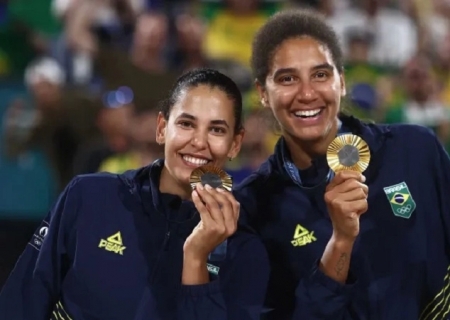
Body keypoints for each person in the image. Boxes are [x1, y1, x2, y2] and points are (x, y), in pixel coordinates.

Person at [0, 68, 270, 319]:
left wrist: (197, 257)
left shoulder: (245, 246)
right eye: (186, 124)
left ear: (235, 144)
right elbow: (23, 301)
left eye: (216, 129)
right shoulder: (89, 196)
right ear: (162, 128)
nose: (198, 142)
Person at [234, 9, 450, 320]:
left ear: (342, 81)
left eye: (320, 74)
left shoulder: (416, 150)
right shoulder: (254, 209)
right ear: (263, 94)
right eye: (287, 79)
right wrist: (341, 241)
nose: (307, 93)